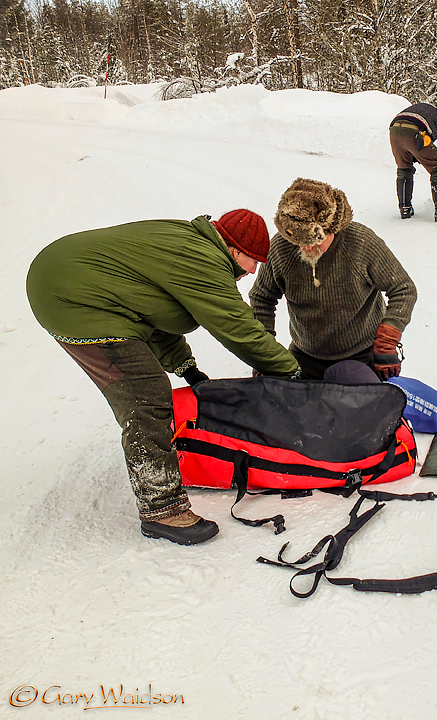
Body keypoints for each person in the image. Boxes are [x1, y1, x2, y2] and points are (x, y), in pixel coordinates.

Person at [25, 210, 301, 546]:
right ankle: (162, 509)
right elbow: (238, 327)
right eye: (252, 260)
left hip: (63, 283)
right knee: (146, 395)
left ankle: (160, 490)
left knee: (147, 386)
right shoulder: (203, 260)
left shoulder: (190, 245)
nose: (253, 271)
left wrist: (187, 368)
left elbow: (148, 311)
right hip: (73, 299)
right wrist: (291, 371)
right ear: (233, 249)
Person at [249, 177, 417, 381]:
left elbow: (403, 288)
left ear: (332, 229)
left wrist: (387, 340)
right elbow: (262, 297)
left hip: (363, 353)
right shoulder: (282, 247)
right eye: (301, 242)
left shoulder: (359, 243)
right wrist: (265, 354)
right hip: (306, 356)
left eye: (316, 240)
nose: (308, 248)